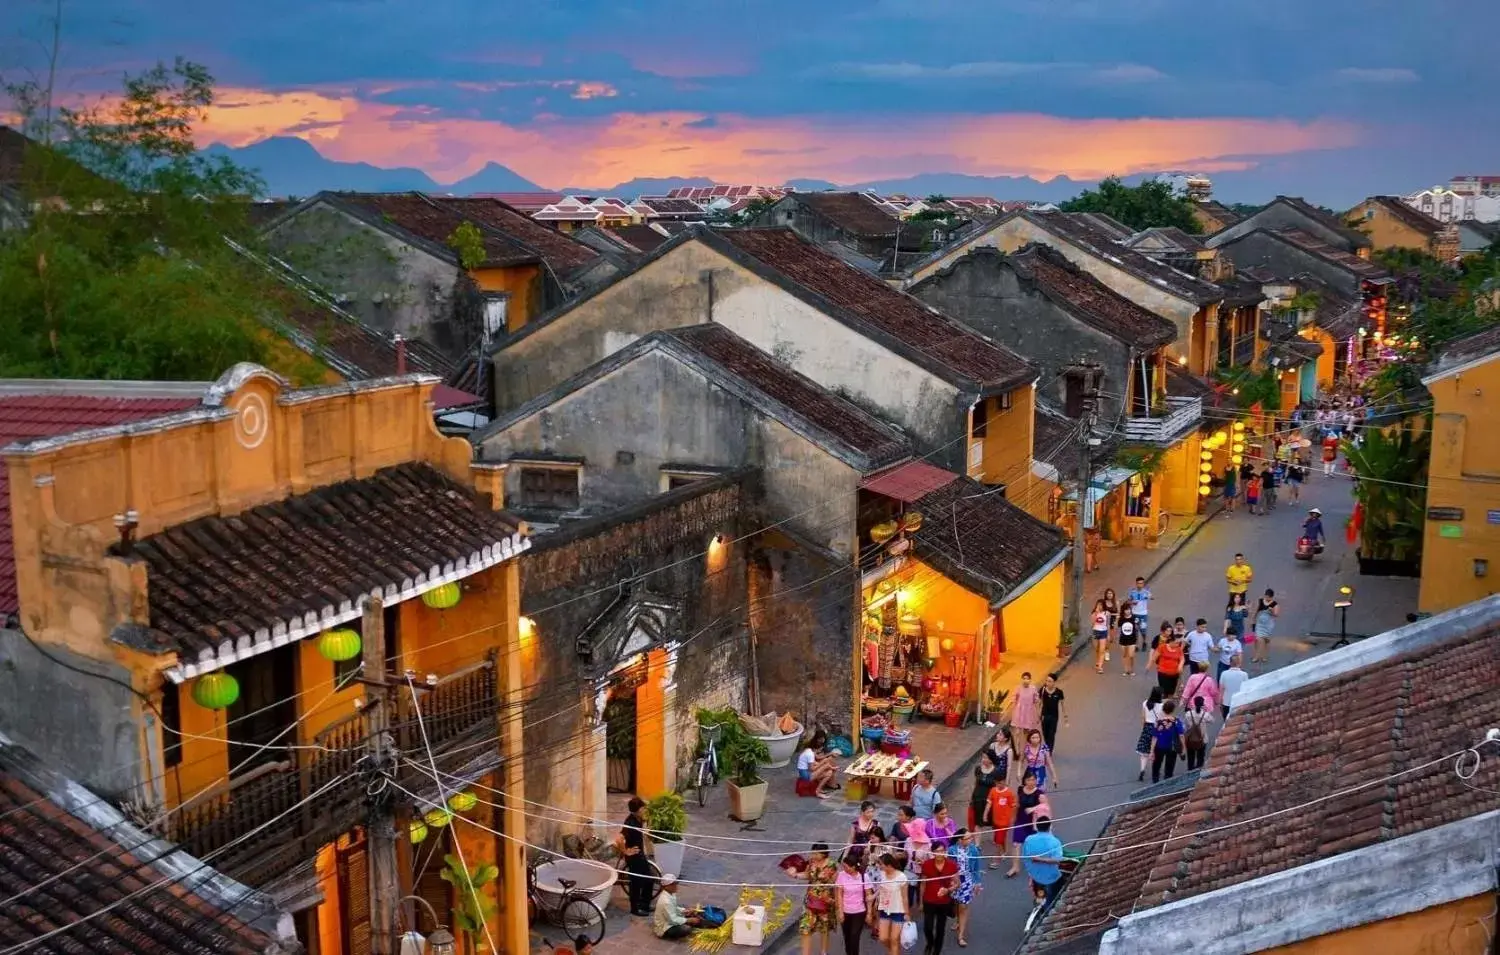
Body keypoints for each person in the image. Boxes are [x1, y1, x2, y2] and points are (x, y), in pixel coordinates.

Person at [792, 843, 837, 955]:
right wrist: (796, 875)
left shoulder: (832, 865)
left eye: (815, 853)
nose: (813, 855)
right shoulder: (811, 862)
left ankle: (823, 952)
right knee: (805, 927)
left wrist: (834, 900)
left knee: (824, 928)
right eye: (812, 853)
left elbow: (836, 883)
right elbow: (808, 875)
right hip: (810, 899)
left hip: (825, 900)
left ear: (823, 854)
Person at [918, 841, 959, 955]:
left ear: (945, 852)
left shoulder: (951, 865)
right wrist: (921, 902)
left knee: (940, 929)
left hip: (944, 902)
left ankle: (937, 950)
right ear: (932, 853)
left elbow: (957, 883)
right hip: (928, 901)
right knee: (928, 927)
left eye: (942, 851)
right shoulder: (927, 864)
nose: (939, 854)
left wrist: (948, 890)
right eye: (937, 851)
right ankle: (930, 943)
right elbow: (923, 884)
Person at [619, 796, 654, 917]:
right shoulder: (630, 823)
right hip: (634, 858)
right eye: (643, 808)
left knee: (649, 880)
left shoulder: (638, 819)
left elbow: (646, 821)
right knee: (636, 883)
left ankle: (644, 904)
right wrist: (626, 851)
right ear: (638, 809)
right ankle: (634, 908)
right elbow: (618, 839)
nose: (644, 810)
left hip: (640, 855)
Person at [1020, 816, 1065, 907]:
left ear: (1036, 826)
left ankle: (1040, 905)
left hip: (1036, 877)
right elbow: (1058, 860)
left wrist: (1030, 872)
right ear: (1050, 827)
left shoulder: (1029, 840)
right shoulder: (1055, 842)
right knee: (1055, 896)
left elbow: (1025, 857)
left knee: (1040, 895)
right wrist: (1041, 859)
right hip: (1052, 877)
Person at [1008, 771, 1045, 878]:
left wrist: (1033, 808)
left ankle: (1039, 863)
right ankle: (1015, 866)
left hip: (1033, 821)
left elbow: (1045, 806)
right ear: (1025, 781)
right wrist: (1013, 817)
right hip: (1020, 819)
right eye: (1029, 780)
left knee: (1034, 844)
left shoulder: (1039, 793)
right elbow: (1017, 804)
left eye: (1033, 780)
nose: (1031, 782)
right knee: (1016, 843)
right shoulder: (1020, 789)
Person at [835, 854, 873, 955]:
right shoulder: (841, 875)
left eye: (846, 867)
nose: (844, 869)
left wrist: (869, 913)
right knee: (847, 936)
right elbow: (839, 894)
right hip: (846, 910)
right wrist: (840, 911)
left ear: (853, 867)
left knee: (854, 936)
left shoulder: (864, 877)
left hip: (859, 911)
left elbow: (868, 895)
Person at [874, 853, 910, 955]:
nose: (879, 866)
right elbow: (881, 889)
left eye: (881, 864)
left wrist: (907, 913)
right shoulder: (882, 874)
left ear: (889, 865)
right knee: (883, 938)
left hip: (898, 910)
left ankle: (894, 951)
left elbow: (905, 897)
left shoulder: (901, 877)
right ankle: (894, 951)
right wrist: (875, 899)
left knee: (894, 939)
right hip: (885, 909)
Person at [951, 829, 981, 947]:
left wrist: (977, 883)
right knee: (956, 903)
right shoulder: (952, 850)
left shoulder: (974, 850)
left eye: (971, 837)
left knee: (963, 906)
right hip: (954, 880)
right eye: (968, 838)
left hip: (968, 879)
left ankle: (961, 936)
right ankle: (958, 920)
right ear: (960, 840)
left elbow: (977, 868)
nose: (971, 840)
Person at [1005, 672, 1042, 767]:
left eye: (1027, 678)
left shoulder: (1033, 689)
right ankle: (1018, 751)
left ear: (1030, 679)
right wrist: (1007, 709)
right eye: (1024, 678)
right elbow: (1013, 699)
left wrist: (1038, 715)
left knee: (1026, 733)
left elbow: (1036, 701)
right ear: (1022, 679)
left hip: (1029, 713)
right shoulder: (1018, 688)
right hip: (1019, 712)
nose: (1026, 680)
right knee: (1017, 732)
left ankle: (1024, 751)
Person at [653, 873, 704, 939]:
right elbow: (673, 920)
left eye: (676, 883)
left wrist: (685, 910)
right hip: (665, 927)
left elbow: (674, 908)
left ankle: (688, 921)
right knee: (686, 929)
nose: (676, 886)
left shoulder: (671, 894)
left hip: (671, 919)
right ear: (666, 887)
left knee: (692, 914)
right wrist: (689, 920)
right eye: (673, 884)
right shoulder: (665, 901)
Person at [983, 778, 1016, 871]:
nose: (1001, 785)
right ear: (996, 783)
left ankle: (996, 861)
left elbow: (1013, 806)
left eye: (1002, 782)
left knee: (998, 841)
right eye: (998, 783)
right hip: (995, 820)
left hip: (1004, 822)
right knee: (1000, 838)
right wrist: (985, 814)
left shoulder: (1009, 793)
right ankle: (1004, 852)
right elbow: (989, 804)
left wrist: (1012, 819)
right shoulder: (993, 791)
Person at [1149, 701, 1185, 783]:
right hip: (1171, 747)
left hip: (1159, 746)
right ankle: (1167, 782)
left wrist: (1151, 751)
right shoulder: (1176, 721)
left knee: (1156, 764)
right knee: (1169, 766)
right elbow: (1181, 735)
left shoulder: (1158, 722)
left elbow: (1154, 737)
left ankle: (1155, 780)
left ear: (1163, 709)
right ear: (1173, 710)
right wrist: (1183, 748)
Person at [1135, 686, 1166, 782]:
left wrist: (1144, 728)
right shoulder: (1162, 706)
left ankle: (1142, 770)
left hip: (1147, 727)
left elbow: (1143, 718)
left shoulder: (1145, 703)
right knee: (1156, 750)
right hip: (1157, 728)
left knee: (1144, 752)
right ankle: (1155, 770)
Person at [798, 733, 838, 799]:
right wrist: (822, 763)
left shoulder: (809, 751)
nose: (820, 751)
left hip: (807, 772)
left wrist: (823, 763)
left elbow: (814, 763)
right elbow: (812, 769)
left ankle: (818, 790)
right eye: (819, 751)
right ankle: (818, 792)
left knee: (829, 771)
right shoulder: (810, 754)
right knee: (826, 764)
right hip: (806, 775)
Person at [1182, 694, 1214, 772]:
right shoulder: (1205, 715)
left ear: (1194, 703)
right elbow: (1212, 720)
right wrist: (1206, 710)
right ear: (1203, 704)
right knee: (1200, 756)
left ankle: (1190, 771)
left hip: (1190, 738)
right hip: (1202, 739)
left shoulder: (1188, 714)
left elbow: (1185, 726)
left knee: (1191, 757)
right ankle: (1198, 771)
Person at [967, 753, 999, 831]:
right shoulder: (978, 769)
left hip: (990, 799)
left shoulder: (996, 771)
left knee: (993, 820)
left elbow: (998, 787)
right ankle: (977, 843)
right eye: (983, 757)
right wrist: (971, 797)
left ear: (991, 760)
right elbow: (975, 782)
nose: (984, 760)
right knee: (978, 822)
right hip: (978, 798)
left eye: (986, 758)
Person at [1149, 629, 1185, 698]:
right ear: (1171, 642)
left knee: (1171, 691)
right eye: (1176, 643)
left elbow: (1182, 658)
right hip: (1163, 672)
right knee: (1164, 691)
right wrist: (1152, 664)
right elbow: (1155, 657)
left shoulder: (1179, 649)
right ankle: (1163, 705)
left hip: (1174, 673)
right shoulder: (1162, 647)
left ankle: (1168, 706)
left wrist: (1180, 665)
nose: (1178, 645)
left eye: (1178, 643)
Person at [1039, 674, 1068, 752]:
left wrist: (1065, 716)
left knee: (1051, 734)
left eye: (1050, 681)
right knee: (1045, 733)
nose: (1047, 683)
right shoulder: (1042, 690)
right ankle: (1047, 747)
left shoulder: (1059, 692)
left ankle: (1049, 751)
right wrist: (1038, 715)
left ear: (1054, 682)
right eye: (1047, 681)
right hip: (1044, 716)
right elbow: (1040, 703)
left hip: (1054, 716)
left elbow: (1063, 704)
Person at [1251, 589, 1279, 665]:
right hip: (1260, 624)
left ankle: (1264, 655)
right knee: (1258, 639)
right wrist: (1253, 620)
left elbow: (1276, 614)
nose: (1267, 598)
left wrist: (1272, 611)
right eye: (1266, 596)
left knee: (1266, 640)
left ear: (1271, 597)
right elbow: (1255, 611)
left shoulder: (1275, 604)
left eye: (1268, 597)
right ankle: (1256, 656)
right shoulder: (1260, 601)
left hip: (1268, 624)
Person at [1218, 654, 1249, 719]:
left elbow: (1221, 689)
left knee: (1226, 721)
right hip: (1239, 702)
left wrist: (1220, 702)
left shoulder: (1224, 673)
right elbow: (1246, 690)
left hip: (1226, 702)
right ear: (1239, 663)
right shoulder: (1244, 675)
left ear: (1230, 663)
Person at [1090, 599, 1111, 673]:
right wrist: (1095, 614)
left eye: (1101, 605)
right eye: (1098, 604)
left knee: (1102, 650)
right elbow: (1092, 623)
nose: (1100, 606)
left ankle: (1100, 666)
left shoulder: (1107, 613)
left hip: (1103, 632)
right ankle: (1098, 661)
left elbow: (1108, 624)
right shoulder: (1094, 613)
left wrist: (1108, 634)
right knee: (1097, 649)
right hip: (1096, 631)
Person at [1116, 610, 1139, 676]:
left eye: (1128, 609)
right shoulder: (1121, 618)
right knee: (1125, 655)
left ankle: (1131, 669)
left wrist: (1136, 641)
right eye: (1125, 610)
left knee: (1131, 655)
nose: (1127, 611)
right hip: (1123, 639)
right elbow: (1118, 627)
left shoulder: (1134, 618)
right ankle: (1126, 670)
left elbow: (1136, 629)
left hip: (1132, 639)